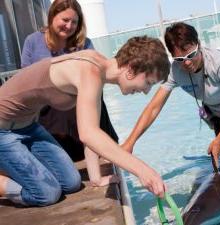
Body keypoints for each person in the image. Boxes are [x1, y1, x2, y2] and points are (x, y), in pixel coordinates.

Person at [0, 36, 170, 206]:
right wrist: (142, 170)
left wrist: (96, 178)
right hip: (3, 130)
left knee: (72, 182)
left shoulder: (98, 69)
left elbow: (92, 129)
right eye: (148, 83)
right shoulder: (91, 72)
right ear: (131, 69)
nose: (146, 91)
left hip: (28, 126)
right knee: (47, 193)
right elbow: (88, 134)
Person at [122, 22, 220, 196]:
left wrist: (219, 139)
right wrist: (130, 142)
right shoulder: (175, 71)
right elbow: (154, 107)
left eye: (191, 54)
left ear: (198, 43)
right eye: (180, 59)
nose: (187, 63)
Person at [21, 0, 119, 186]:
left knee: (93, 98)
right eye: (65, 20)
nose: (69, 26)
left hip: (78, 107)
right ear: (52, 17)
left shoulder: (85, 43)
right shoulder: (32, 41)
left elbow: (96, 78)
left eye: (74, 22)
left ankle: (96, 151)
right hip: (47, 110)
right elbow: (26, 79)